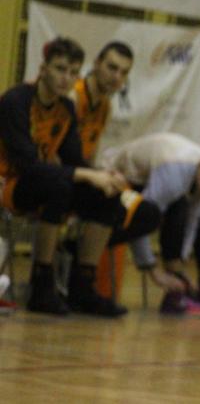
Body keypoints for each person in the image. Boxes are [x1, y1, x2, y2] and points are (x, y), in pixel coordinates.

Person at [0, 37, 161, 316]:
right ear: (43, 69)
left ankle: (83, 285)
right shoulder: (17, 101)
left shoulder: (66, 108)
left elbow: (74, 157)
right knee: (60, 185)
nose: (67, 78)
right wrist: (86, 174)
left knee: (106, 195)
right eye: (60, 69)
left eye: (73, 72)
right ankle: (42, 283)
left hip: (42, 180)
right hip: (8, 182)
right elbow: (28, 165)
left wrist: (104, 177)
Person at [69, 41, 183, 296]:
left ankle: (74, 247)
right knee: (108, 200)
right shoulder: (74, 97)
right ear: (96, 64)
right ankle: (82, 279)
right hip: (66, 177)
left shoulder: (105, 107)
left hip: (85, 176)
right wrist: (94, 176)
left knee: (147, 213)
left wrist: (104, 174)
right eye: (112, 68)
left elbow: (89, 155)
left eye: (123, 72)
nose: (116, 77)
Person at [97, 132, 200, 317]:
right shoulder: (174, 175)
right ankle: (174, 292)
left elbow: (193, 222)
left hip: (140, 187)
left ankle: (188, 282)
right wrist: (152, 270)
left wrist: (181, 264)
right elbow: (141, 218)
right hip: (110, 182)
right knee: (176, 205)